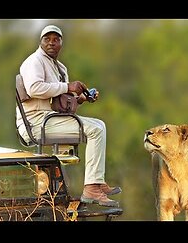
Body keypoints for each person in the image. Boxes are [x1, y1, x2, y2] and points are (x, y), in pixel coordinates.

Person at [16, 24, 121, 207]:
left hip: (51, 119)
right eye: (47, 39)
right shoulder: (35, 61)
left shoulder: (60, 67)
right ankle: (91, 189)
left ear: (61, 43)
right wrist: (68, 86)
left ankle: (96, 181)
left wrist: (80, 99)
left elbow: (62, 106)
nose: (51, 43)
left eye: (55, 39)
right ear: (40, 42)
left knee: (100, 125)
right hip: (36, 123)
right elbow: (34, 88)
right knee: (95, 130)